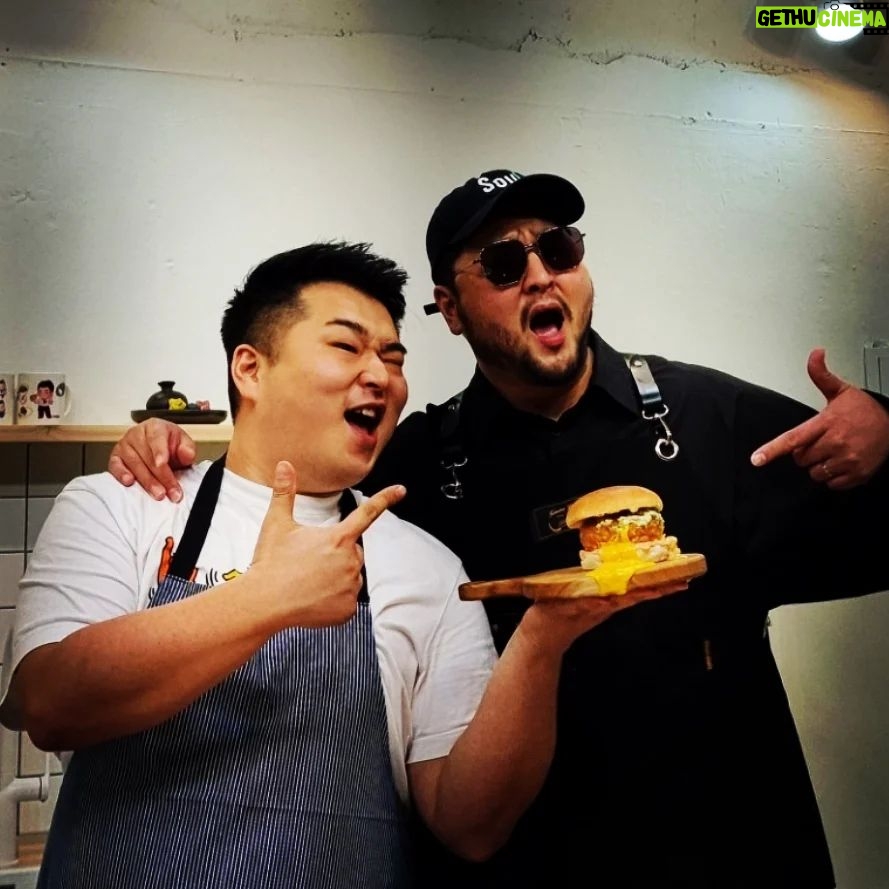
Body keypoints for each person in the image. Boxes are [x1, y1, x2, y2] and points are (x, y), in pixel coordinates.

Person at [106, 172, 889, 889]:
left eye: (559, 248)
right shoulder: (416, 465)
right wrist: (169, 457)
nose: (540, 274)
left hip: (729, 856)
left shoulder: (706, 418)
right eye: (504, 263)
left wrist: (884, 429)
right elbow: (281, 492)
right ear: (450, 309)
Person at [0, 240, 677, 889]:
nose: (380, 375)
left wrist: (540, 641)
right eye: (347, 347)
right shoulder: (125, 505)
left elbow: (469, 825)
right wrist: (264, 599)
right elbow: (48, 704)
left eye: (392, 356)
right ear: (249, 369)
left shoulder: (429, 567)